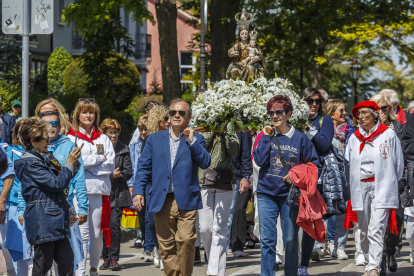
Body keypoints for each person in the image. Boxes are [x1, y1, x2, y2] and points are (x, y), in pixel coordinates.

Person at [133, 99, 211, 276]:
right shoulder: (154, 139)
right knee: (166, 247)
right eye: (173, 112)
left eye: (182, 113)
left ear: (188, 117)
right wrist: (138, 191)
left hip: (186, 200)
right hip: (161, 200)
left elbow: (205, 162)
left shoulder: (196, 138)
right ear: (168, 116)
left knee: (185, 241)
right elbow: (143, 167)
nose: (177, 115)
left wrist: (192, 141)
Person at [253, 95, 322, 276]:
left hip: (290, 196)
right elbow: (259, 161)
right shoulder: (265, 135)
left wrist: (297, 176)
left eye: (279, 112)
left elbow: (314, 165)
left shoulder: (300, 138)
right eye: (271, 113)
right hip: (266, 193)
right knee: (267, 240)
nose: (274, 116)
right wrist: (267, 138)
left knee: (290, 240)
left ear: (288, 114)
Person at [14, 118, 83, 276]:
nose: (48, 142)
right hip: (43, 222)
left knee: (67, 262)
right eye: (45, 138)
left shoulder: (42, 158)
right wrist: (69, 163)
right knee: (42, 266)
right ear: (33, 141)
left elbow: (62, 177)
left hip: (55, 221)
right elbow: (57, 183)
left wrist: (74, 161)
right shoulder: (30, 163)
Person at [345, 101, 404, 276]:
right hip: (361, 187)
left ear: (375, 114)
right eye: (358, 114)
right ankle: (368, 261)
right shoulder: (354, 138)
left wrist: (388, 182)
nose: (360, 117)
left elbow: (398, 165)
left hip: (382, 186)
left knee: (376, 227)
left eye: (364, 113)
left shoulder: (388, 135)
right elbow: (348, 161)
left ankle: (373, 268)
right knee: (363, 230)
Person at [66, 98, 115, 276]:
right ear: (77, 115)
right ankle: (80, 270)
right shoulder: (70, 138)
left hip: (99, 192)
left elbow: (110, 166)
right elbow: (70, 162)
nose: (88, 115)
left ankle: (93, 268)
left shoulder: (103, 138)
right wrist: (97, 160)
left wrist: (85, 165)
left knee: (96, 234)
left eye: (91, 112)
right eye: (84, 112)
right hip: (78, 193)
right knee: (81, 232)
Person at [370, 94, 405, 274]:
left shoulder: (398, 128)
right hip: (373, 183)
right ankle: (380, 258)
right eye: (377, 108)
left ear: (389, 109)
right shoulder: (367, 130)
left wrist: (403, 179)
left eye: (384, 108)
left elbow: (404, 155)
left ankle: (390, 250)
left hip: (396, 182)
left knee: (397, 221)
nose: (381, 111)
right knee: (377, 224)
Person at [301, 87, 334, 276]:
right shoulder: (293, 120)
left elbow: (323, 144)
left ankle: (303, 264)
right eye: (310, 101)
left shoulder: (325, 120)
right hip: (294, 176)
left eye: (317, 101)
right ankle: (287, 258)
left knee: (309, 220)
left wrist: (308, 130)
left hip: (316, 178)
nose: (314, 104)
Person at [198, 131, 239, 276]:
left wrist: (225, 133)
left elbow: (234, 151)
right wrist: (209, 132)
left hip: (226, 181)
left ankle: (215, 272)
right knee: (205, 228)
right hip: (204, 180)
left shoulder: (230, 130)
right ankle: (213, 261)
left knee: (219, 228)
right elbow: (199, 148)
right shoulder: (202, 128)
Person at [320, 99, 356, 261]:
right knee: (323, 211)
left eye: (344, 110)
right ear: (330, 113)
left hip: (345, 177)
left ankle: (340, 247)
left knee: (342, 212)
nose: (344, 113)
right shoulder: (323, 132)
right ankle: (320, 244)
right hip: (327, 177)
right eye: (340, 110)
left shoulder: (351, 131)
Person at [138, 106, 171, 269]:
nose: (169, 121)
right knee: (151, 222)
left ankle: (166, 253)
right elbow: (143, 167)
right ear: (157, 120)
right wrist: (139, 190)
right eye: (166, 118)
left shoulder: (174, 138)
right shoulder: (149, 140)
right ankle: (157, 248)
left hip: (168, 185)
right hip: (152, 186)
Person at [99, 118, 133, 271]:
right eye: (110, 133)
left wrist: (119, 176)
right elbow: (95, 169)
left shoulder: (123, 148)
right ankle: (104, 258)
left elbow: (128, 172)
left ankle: (114, 259)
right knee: (102, 226)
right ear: (104, 133)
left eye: (116, 132)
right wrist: (111, 176)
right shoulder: (99, 147)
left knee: (114, 225)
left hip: (118, 194)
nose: (113, 135)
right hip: (101, 192)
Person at [228, 131, 252, 257]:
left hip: (238, 175)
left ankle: (237, 244)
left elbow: (246, 153)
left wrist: (246, 176)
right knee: (226, 212)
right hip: (219, 175)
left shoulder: (242, 129)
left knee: (238, 209)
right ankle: (225, 245)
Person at [128, 115, 149, 249]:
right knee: (141, 217)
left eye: (146, 129)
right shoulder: (133, 147)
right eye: (141, 129)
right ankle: (145, 238)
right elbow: (130, 167)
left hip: (151, 184)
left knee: (150, 217)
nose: (143, 132)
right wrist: (130, 185)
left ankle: (149, 245)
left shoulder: (152, 144)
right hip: (137, 185)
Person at [0, 134, 16, 276]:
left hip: (3, 205)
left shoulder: (3, 150)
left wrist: (1, 200)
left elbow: (9, 174)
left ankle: (11, 271)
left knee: (5, 244)